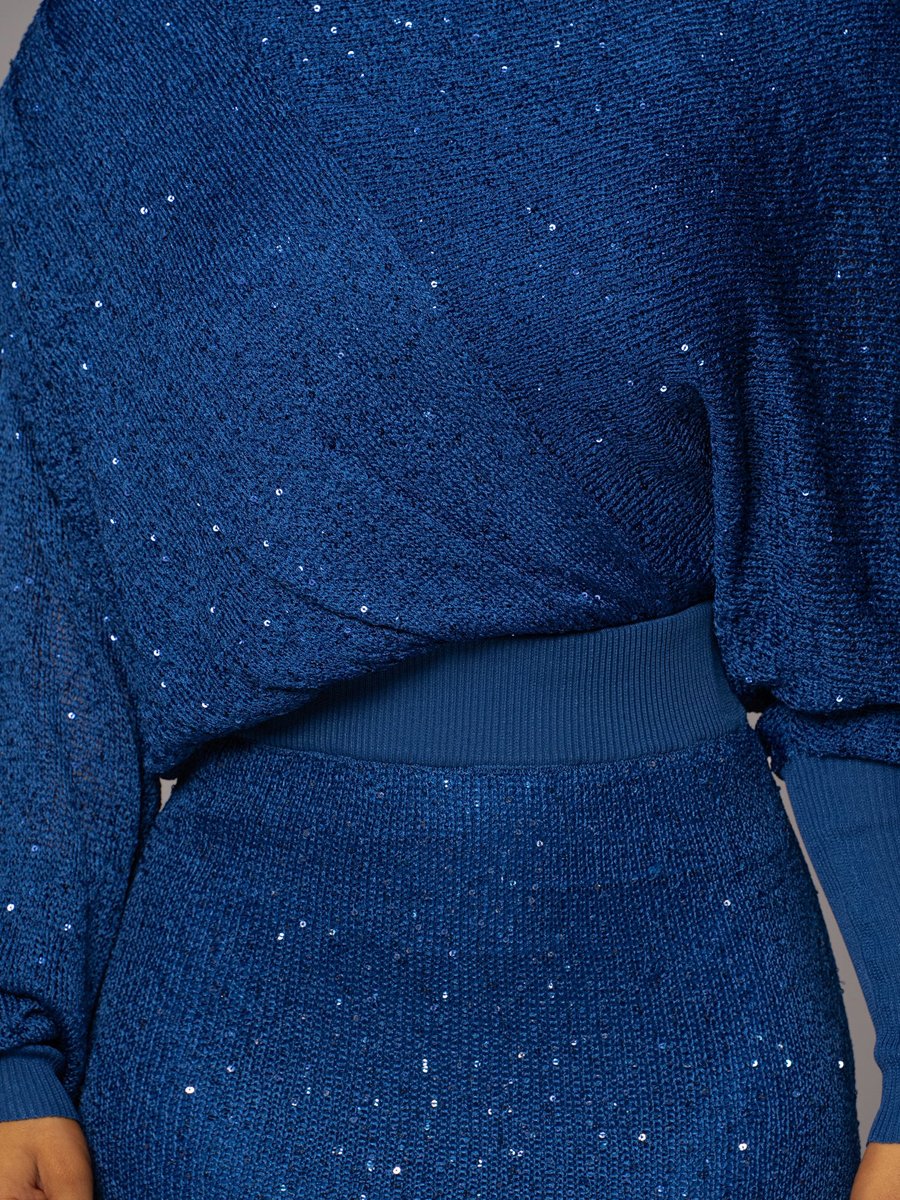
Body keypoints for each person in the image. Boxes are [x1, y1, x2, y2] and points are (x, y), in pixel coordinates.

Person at [0, 0, 897, 1196]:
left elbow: (860, 594)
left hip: (701, 1025)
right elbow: (36, 562)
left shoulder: (796, 27)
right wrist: (10, 1047)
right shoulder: (127, 43)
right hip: (236, 1057)